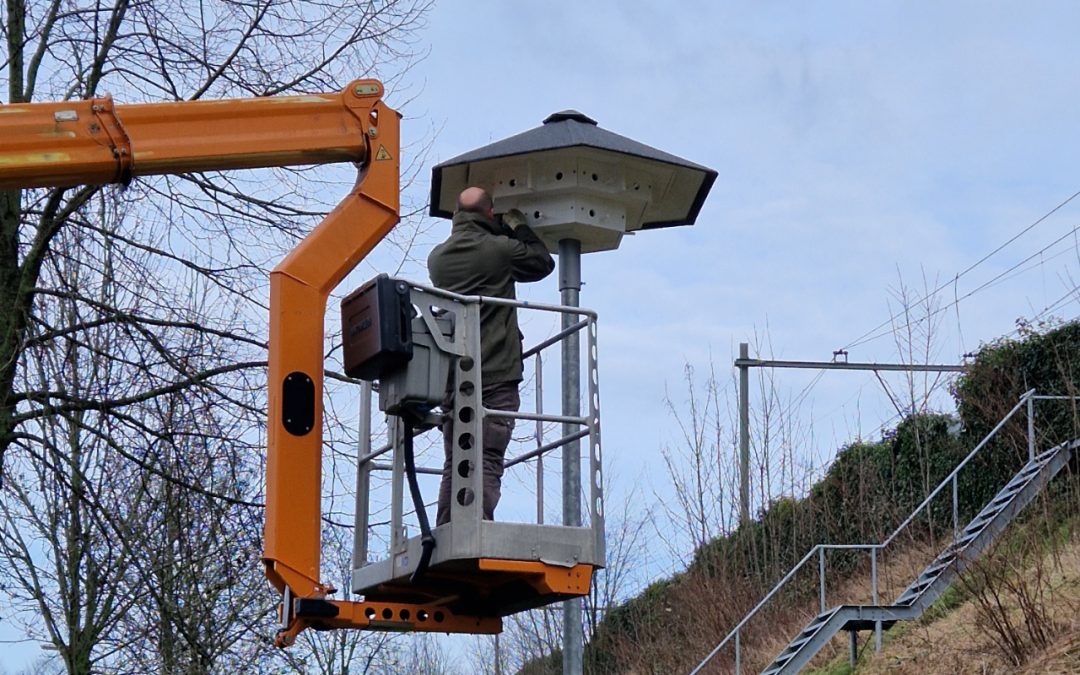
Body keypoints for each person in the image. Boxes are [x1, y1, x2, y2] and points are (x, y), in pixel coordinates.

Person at [429, 186, 555, 526]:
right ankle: (476, 529)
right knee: (486, 457)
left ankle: (447, 529)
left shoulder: (437, 259)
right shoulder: (499, 250)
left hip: (454, 376)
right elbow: (542, 262)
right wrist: (516, 226)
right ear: (489, 213)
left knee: (456, 458)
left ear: (456, 215)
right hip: (496, 371)